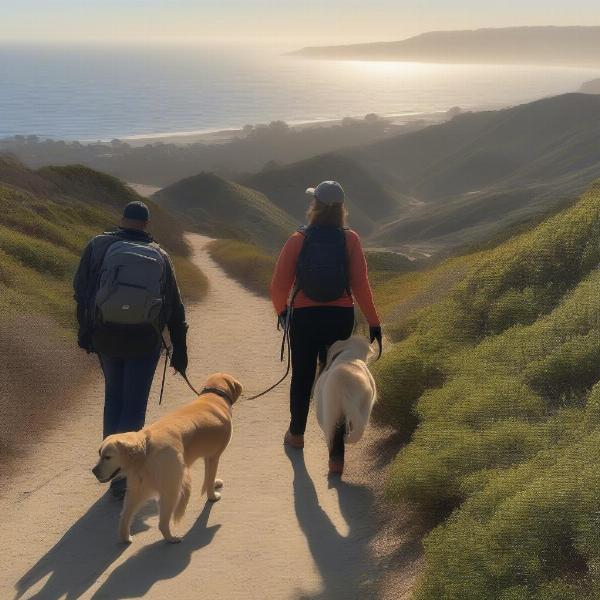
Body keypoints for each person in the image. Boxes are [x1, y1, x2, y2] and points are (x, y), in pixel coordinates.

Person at [74, 200, 189, 498]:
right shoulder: (159, 255)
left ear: (122, 219)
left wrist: (86, 332)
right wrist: (180, 349)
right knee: (134, 404)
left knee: (114, 396)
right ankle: (124, 476)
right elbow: (174, 306)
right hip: (144, 339)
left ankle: (111, 466)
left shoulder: (98, 245)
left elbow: (81, 290)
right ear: (146, 225)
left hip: (106, 336)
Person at [270, 181, 382, 475]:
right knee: (336, 378)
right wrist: (373, 321)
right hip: (340, 315)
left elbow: (279, 284)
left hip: (305, 317)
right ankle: (336, 456)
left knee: (303, 375)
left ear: (315, 206)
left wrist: (283, 312)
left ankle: (296, 434)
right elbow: (360, 284)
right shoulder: (351, 240)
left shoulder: (298, 239)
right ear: (342, 208)